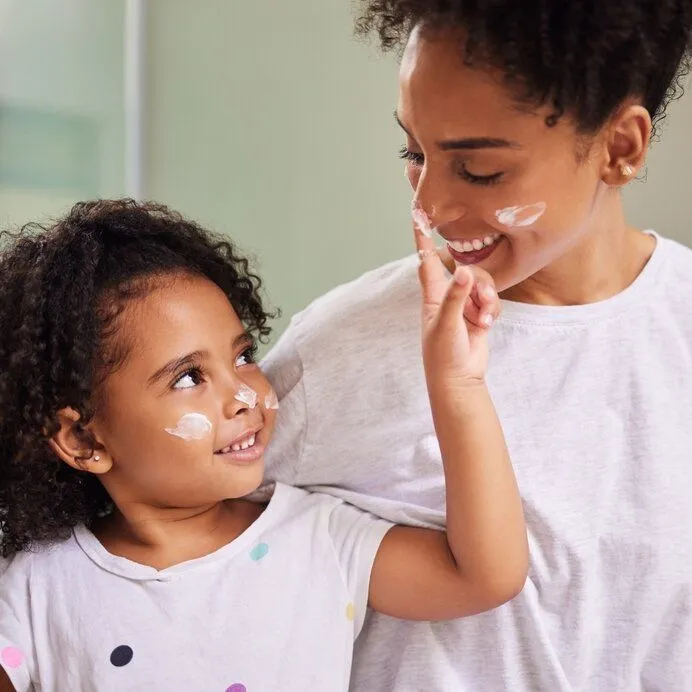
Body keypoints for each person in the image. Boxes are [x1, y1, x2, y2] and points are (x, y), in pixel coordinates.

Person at [261, 1, 692, 689]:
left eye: (480, 171)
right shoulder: (341, 351)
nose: (428, 206)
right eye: (414, 151)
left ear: (620, 148)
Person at [0, 199, 526, 691]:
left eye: (243, 355)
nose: (244, 395)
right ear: (83, 438)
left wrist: (459, 386)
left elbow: (483, 576)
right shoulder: (32, 589)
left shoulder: (320, 540)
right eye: (188, 378)